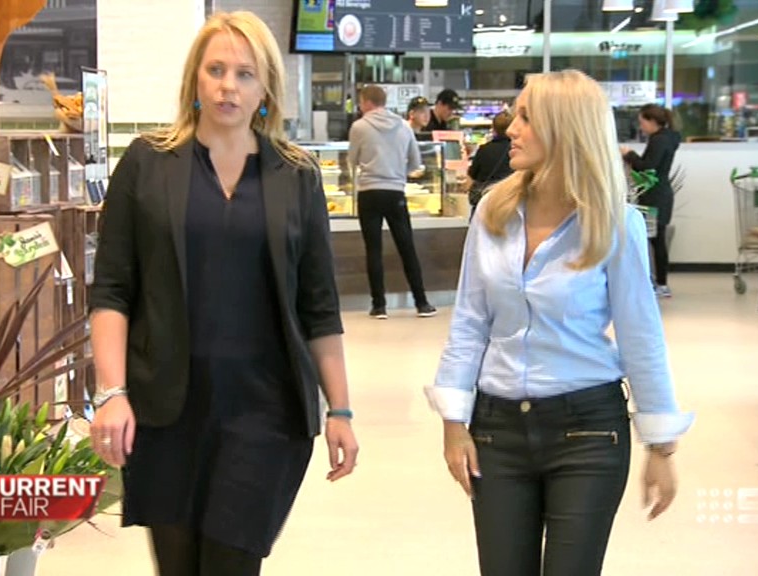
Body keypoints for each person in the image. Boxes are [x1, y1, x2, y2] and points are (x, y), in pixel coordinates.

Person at [88, 12, 359, 576]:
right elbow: (113, 289)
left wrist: (340, 409)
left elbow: (319, 307)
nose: (227, 86)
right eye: (215, 70)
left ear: (266, 90)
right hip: (166, 410)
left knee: (233, 562)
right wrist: (111, 392)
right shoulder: (147, 163)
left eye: (244, 74)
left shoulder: (296, 175)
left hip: (265, 412)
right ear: (195, 78)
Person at [425, 70, 693, 576]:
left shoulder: (615, 223)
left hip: (588, 431)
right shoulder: (492, 213)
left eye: (526, 117)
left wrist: (661, 445)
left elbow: (640, 336)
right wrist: (453, 424)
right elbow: (469, 323)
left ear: (566, 129)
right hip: (497, 430)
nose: (512, 128)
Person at [348, 84, 436, 320]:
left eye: (361, 102)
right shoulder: (404, 127)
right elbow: (415, 162)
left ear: (367, 102)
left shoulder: (359, 127)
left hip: (368, 192)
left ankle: (379, 306)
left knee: (373, 249)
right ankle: (422, 303)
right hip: (395, 192)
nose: (360, 106)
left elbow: (352, 160)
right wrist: (398, 174)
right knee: (407, 247)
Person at [621, 104, 681, 298]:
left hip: (655, 196)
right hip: (659, 195)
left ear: (653, 121)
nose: (641, 127)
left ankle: (660, 284)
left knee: (656, 240)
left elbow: (648, 167)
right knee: (655, 239)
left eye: (642, 122)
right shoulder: (667, 138)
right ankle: (658, 282)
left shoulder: (659, 140)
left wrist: (629, 154)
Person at [465, 110, 514, 218]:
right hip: (509, 201)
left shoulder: (484, 149)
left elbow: (472, 176)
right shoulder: (516, 150)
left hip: (484, 202)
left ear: (493, 128)